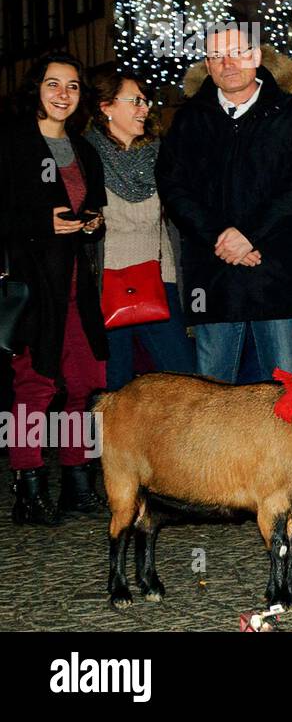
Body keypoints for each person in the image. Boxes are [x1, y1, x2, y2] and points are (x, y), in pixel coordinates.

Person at [157, 20, 292, 383]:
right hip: (214, 270)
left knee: (283, 390)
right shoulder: (188, 120)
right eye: (216, 56)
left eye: (236, 53)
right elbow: (173, 187)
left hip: (277, 269)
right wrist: (220, 236)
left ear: (254, 56)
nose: (227, 63)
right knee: (210, 390)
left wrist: (250, 235)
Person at [1, 52, 109, 524]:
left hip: (76, 284)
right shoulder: (11, 145)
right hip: (32, 283)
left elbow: (93, 207)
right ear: (36, 90)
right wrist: (39, 223)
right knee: (35, 385)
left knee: (86, 382)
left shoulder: (85, 150)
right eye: (53, 85)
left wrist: (94, 223)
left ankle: (77, 482)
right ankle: (27, 487)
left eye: (72, 86)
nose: (63, 94)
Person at [87, 67, 195, 392]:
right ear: (106, 107)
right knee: (113, 390)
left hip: (159, 281)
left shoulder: (162, 155)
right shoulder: (85, 156)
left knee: (184, 383)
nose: (145, 107)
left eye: (146, 100)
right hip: (106, 285)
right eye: (135, 100)